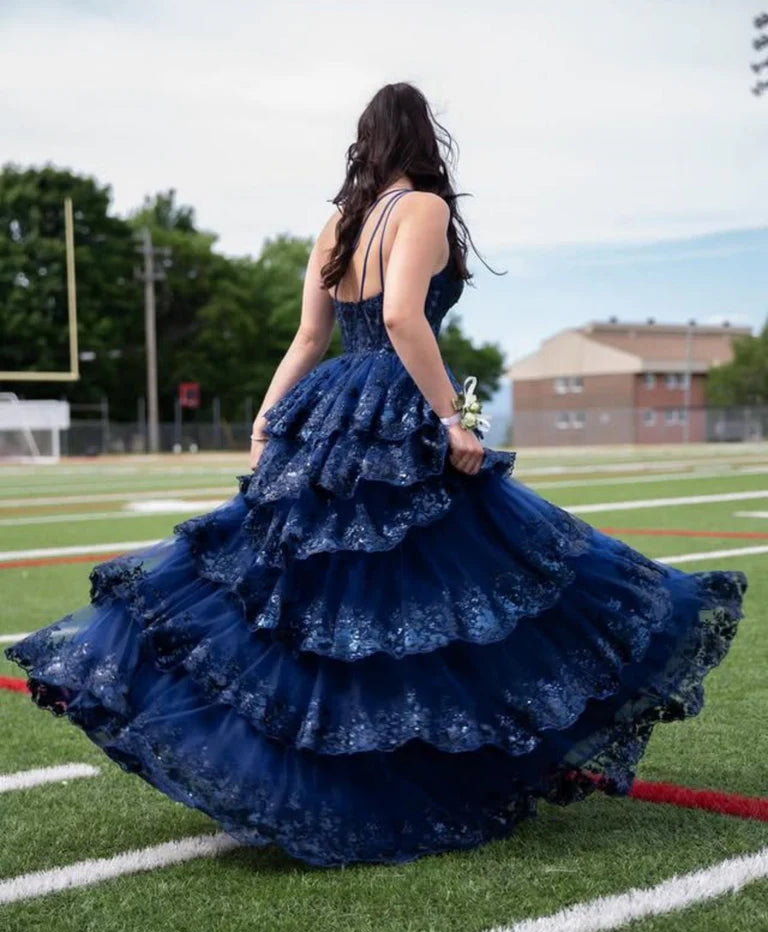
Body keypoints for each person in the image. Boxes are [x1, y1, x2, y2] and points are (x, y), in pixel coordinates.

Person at [5, 82, 747, 868]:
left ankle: (348, 778)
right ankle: (415, 770)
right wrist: (450, 419)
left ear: (366, 140)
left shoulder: (339, 222)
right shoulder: (421, 206)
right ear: (424, 140)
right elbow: (402, 318)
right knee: (453, 587)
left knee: (332, 603)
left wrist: (265, 422)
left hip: (330, 410)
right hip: (393, 402)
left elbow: (306, 339)